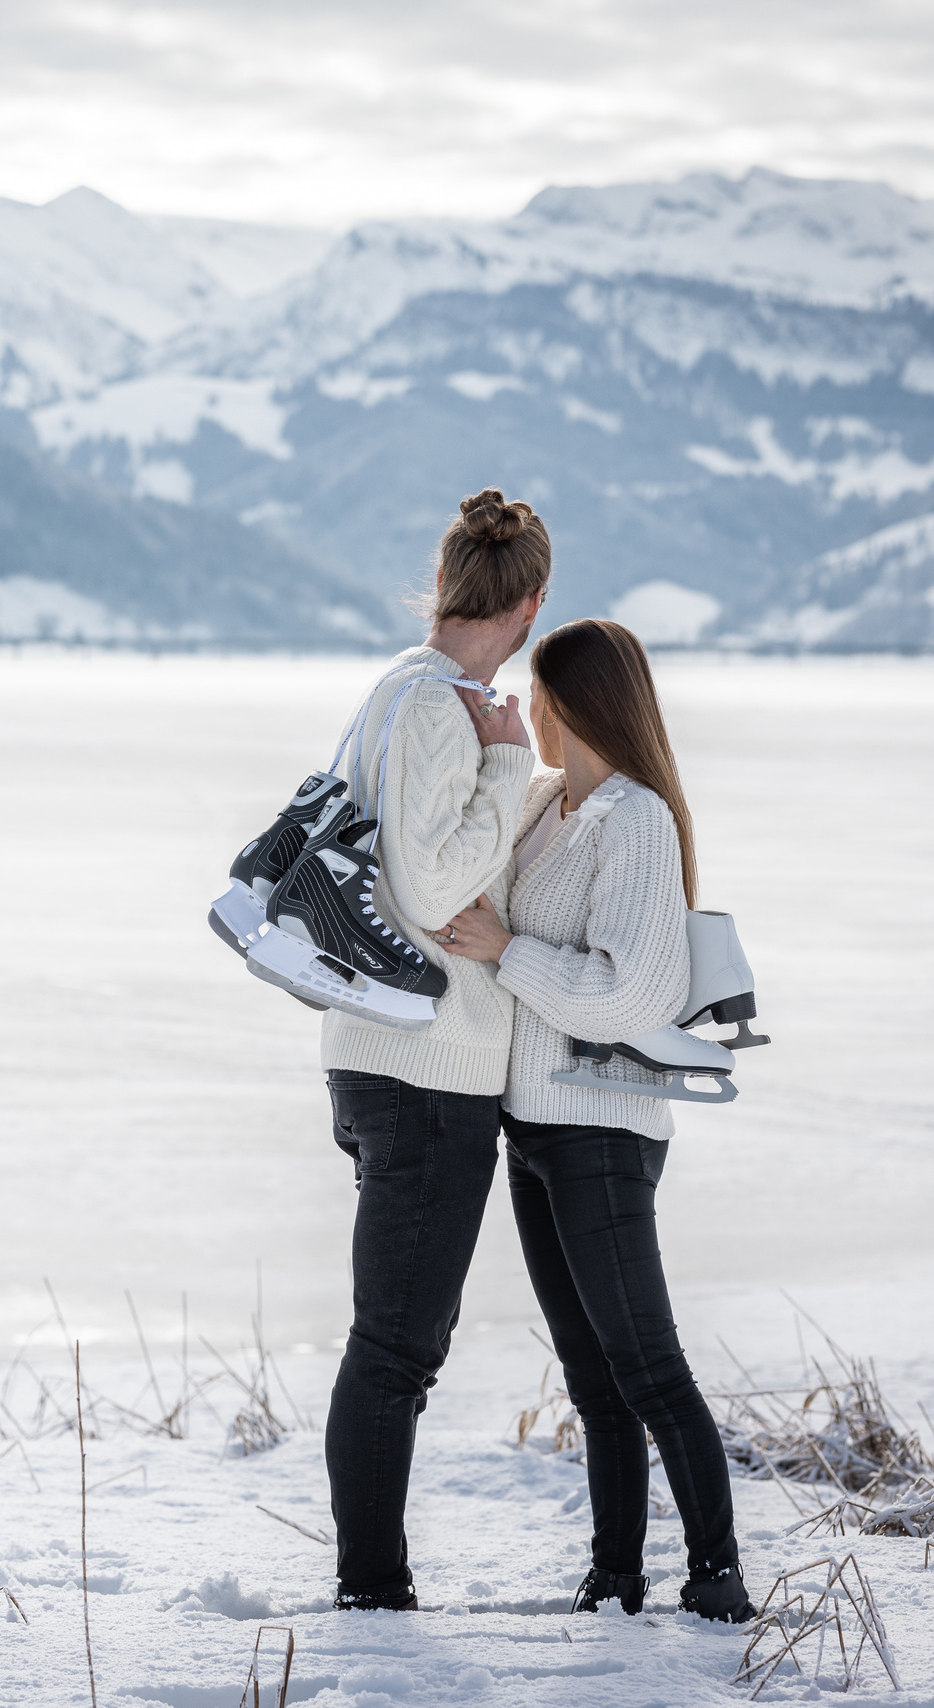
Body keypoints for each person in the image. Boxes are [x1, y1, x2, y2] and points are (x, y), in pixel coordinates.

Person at [436, 618, 755, 1624]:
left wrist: (505, 951)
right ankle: (614, 1576)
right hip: (533, 1129)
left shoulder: (636, 821)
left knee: (648, 1368)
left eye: (535, 694)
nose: (528, 710)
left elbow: (631, 995)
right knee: (593, 1378)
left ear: (571, 702)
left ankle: (717, 1576)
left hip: (603, 1132)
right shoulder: (547, 805)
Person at [322, 488, 547, 1612]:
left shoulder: (402, 694)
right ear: (531, 604)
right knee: (396, 1348)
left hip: (389, 1054)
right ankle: (373, 1592)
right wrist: (509, 770)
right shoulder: (432, 706)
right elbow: (428, 887)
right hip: (422, 1068)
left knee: (398, 1340)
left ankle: (374, 1582)